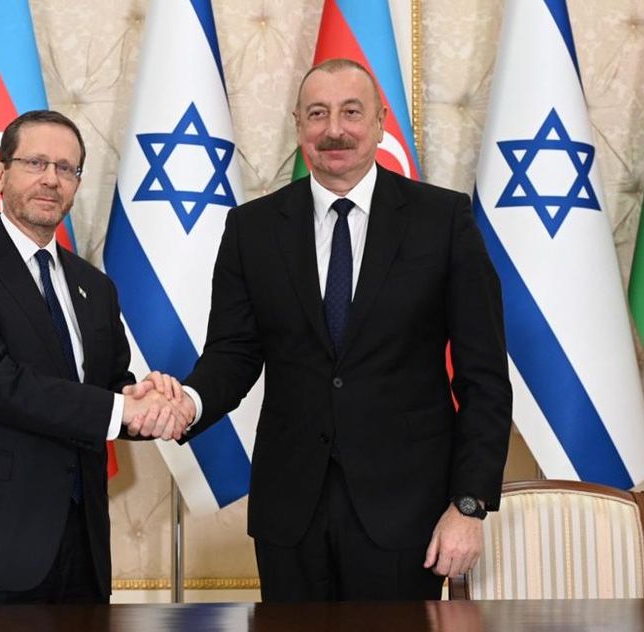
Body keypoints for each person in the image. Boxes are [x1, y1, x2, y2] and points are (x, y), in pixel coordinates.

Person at [173, 59, 513, 601]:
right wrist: (187, 401)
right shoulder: (252, 228)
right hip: (291, 511)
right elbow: (233, 354)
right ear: (298, 125)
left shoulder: (443, 221)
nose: (335, 130)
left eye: (351, 112)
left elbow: (484, 378)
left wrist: (469, 504)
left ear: (380, 122)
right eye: (317, 114)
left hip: (408, 512)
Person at [0, 110, 188, 605]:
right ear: (0, 173)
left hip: (82, 542)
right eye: (35, 163)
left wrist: (138, 398)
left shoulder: (94, 286)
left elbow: (106, 388)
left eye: (67, 168)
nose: (51, 179)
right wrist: (120, 408)